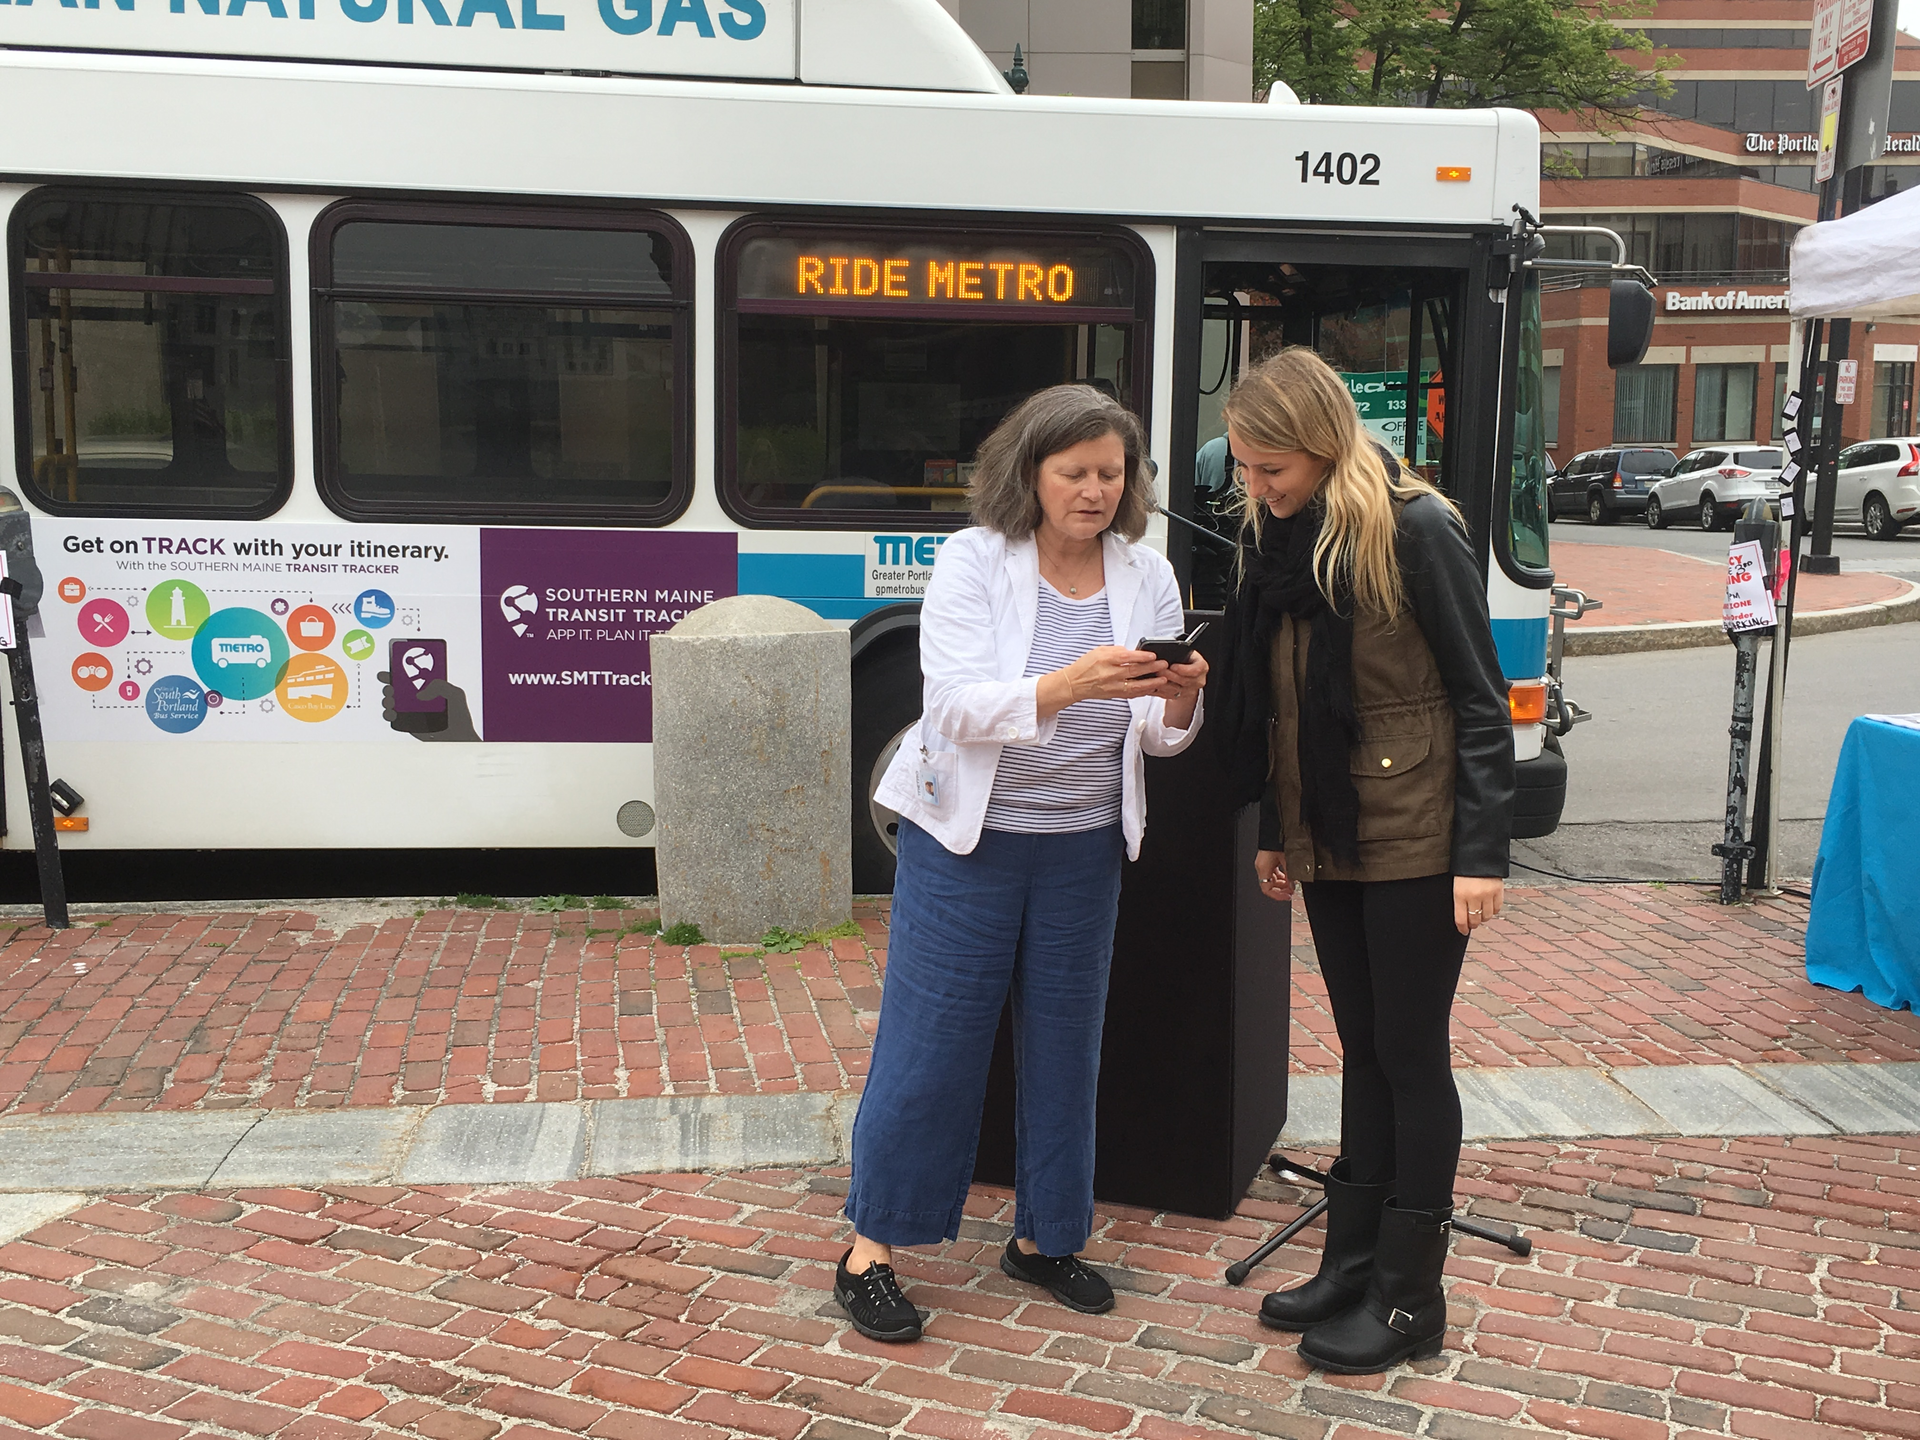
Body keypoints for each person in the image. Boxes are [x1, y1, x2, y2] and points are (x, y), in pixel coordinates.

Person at [839, 384, 1209, 1344]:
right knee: (931, 1047)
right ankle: (870, 1248)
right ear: (1030, 473)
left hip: (1083, 847)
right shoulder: (972, 561)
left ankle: (1046, 1238)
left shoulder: (1148, 578)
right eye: (1073, 472)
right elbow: (954, 707)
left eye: (1111, 474)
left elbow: (1160, 744)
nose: (1093, 491)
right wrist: (1068, 682)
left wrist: (1178, 699)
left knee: (1064, 1048)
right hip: (969, 847)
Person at [1213, 347, 1514, 1375]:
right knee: (1362, 1048)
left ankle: (1407, 1299)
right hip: (1330, 835)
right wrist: (1272, 833)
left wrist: (1483, 852)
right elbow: (1281, 703)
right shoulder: (1278, 539)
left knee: (1410, 1052)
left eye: (1270, 467)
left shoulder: (1416, 529)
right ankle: (1352, 1263)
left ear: (1322, 439)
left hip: (1421, 835)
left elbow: (1482, 698)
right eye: (1246, 469)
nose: (1255, 487)